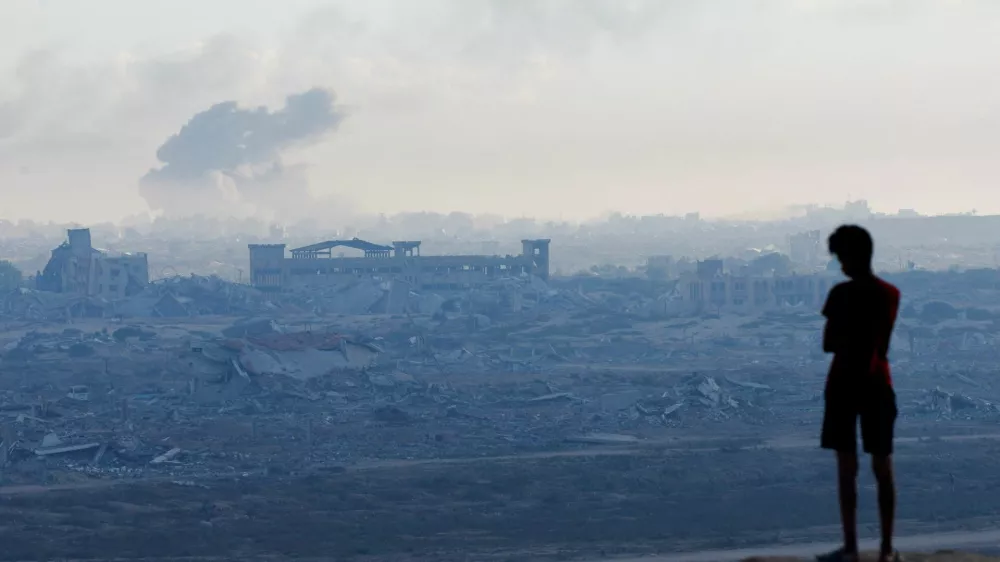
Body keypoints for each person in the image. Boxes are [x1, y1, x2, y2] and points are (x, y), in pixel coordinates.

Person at [816, 225, 901, 562]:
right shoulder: (889, 294)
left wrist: (847, 339)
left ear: (852, 256)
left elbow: (828, 343)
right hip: (878, 383)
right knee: (883, 466)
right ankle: (886, 549)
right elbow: (881, 342)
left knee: (846, 468)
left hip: (842, 384)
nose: (840, 264)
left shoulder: (840, 294)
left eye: (841, 257)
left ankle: (851, 547)